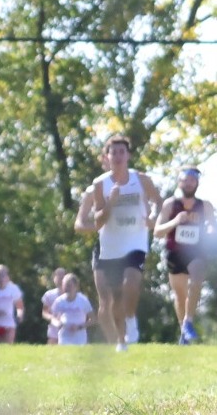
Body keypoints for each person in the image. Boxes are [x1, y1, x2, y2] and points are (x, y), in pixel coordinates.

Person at [74, 133, 162, 351]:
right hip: (109, 247)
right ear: (107, 157)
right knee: (111, 299)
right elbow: (99, 221)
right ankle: (120, 341)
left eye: (122, 152)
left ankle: (131, 321)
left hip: (135, 243)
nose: (118, 156)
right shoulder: (99, 185)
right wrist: (110, 203)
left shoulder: (141, 179)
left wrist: (153, 219)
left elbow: (159, 202)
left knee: (131, 283)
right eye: (113, 152)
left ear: (128, 155)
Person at [156, 166, 211, 344]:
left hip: (196, 252)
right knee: (180, 296)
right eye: (185, 180)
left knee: (197, 279)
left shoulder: (205, 206)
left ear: (197, 183)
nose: (188, 183)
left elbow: (213, 226)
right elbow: (157, 231)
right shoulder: (170, 204)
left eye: (192, 180)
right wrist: (175, 221)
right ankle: (183, 330)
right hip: (175, 253)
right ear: (180, 182)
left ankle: (188, 321)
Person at [50, 274, 94, 346]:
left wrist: (79, 327)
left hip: (80, 338)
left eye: (69, 285)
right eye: (65, 286)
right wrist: (57, 323)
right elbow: (52, 318)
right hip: (64, 337)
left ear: (76, 286)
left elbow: (93, 319)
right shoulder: (59, 301)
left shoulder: (83, 300)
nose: (67, 288)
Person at [40, 270, 69, 345]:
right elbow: (44, 312)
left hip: (70, 329)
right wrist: (52, 318)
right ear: (54, 278)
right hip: (54, 330)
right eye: (58, 277)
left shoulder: (74, 296)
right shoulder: (49, 294)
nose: (60, 280)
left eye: (62, 277)